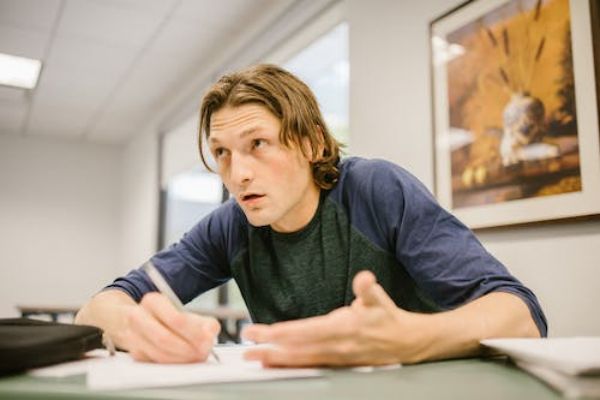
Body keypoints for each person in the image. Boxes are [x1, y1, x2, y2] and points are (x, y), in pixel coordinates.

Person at [75, 64, 547, 367]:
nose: (237, 174)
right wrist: (135, 327)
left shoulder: (375, 190)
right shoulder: (231, 225)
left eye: (258, 144)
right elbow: (97, 309)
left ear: (313, 143)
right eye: (221, 152)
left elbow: (521, 315)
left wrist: (409, 338)